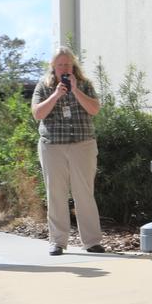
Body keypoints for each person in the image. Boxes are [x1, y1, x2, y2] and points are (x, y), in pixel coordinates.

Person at [31, 47, 104, 256]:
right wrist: (55, 95)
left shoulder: (85, 84)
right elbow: (38, 113)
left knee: (85, 194)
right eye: (60, 64)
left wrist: (75, 90)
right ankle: (58, 242)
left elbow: (94, 109)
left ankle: (91, 241)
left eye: (68, 64)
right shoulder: (43, 86)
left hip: (83, 145)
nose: (64, 67)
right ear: (53, 66)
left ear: (74, 65)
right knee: (56, 194)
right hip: (52, 146)